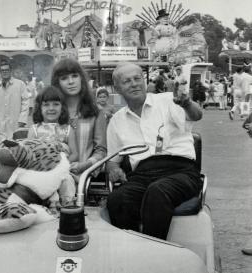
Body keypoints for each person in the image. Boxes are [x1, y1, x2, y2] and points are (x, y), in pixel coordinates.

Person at [106, 62, 203, 240]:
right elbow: (112, 160)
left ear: (144, 81)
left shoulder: (167, 100)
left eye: (137, 78)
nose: (134, 84)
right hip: (142, 175)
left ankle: (152, 255)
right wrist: (113, 169)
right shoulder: (116, 121)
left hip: (181, 171)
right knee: (116, 200)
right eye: (127, 81)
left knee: (157, 192)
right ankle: (131, 251)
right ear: (117, 88)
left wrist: (187, 102)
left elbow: (196, 115)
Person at [51, 58, 107, 177]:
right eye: (64, 78)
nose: (71, 81)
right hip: (52, 176)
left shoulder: (96, 113)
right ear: (57, 83)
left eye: (74, 76)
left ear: (81, 78)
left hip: (82, 178)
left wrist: (86, 164)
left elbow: (101, 151)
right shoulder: (51, 112)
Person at [28, 85, 78, 206]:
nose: (51, 108)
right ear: (39, 108)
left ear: (62, 108)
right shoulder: (34, 129)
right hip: (40, 169)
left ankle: (68, 206)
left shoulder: (67, 129)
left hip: (62, 168)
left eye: (56, 104)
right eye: (46, 105)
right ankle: (47, 205)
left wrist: (62, 164)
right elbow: (29, 153)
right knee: (37, 181)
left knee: (67, 180)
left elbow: (75, 153)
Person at [0, 60, 30, 140]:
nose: (5, 72)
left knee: (17, 148)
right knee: (4, 150)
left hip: (16, 124)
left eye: (7, 70)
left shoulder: (20, 85)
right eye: (2, 70)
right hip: (2, 125)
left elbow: (25, 103)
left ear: (10, 71)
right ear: (0, 72)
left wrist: (22, 120)